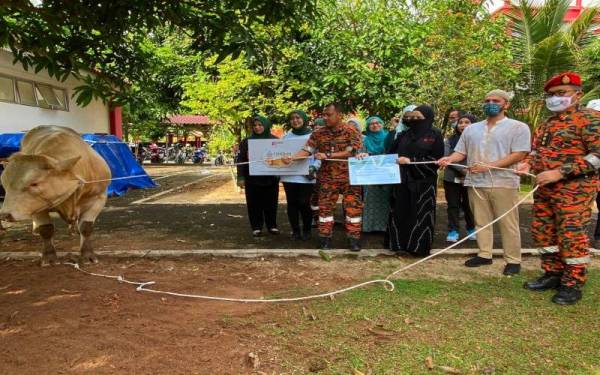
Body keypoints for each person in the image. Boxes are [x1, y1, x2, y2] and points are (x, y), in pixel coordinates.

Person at [519, 72, 600, 305]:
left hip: (574, 191)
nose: (556, 98)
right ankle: (552, 273)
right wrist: (528, 163)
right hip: (545, 190)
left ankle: (572, 283)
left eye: (561, 93)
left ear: (578, 94)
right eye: (552, 95)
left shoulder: (590, 119)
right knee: (543, 232)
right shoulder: (548, 124)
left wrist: (559, 172)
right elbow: (537, 153)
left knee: (571, 235)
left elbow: (597, 156)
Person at [438, 89, 531, 275]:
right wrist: (449, 159)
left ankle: (513, 260)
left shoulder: (518, 127)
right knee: (481, 221)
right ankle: (484, 254)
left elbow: (519, 154)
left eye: (495, 100)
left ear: (506, 104)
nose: (490, 103)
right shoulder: (472, 129)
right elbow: (461, 152)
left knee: (508, 223)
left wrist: (489, 166)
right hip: (475, 181)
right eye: (487, 100)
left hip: (504, 181)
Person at [285, 103, 363, 251]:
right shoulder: (318, 133)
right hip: (327, 178)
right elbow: (307, 150)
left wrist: (328, 155)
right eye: (324, 115)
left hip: (350, 177)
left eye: (329, 115)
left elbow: (352, 152)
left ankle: (354, 239)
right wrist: (292, 158)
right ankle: (324, 238)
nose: (325, 117)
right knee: (325, 209)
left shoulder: (351, 130)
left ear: (339, 115)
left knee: (353, 209)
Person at [388, 105, 444, 256]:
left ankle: (419, 247)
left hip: (423, 184)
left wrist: (411, 161)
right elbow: (389, 156)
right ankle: (399, 245)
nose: (413, 120)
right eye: (411, 117)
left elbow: (436, 160)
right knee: (400, 211)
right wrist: (366, 157)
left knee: (420, 214)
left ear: (428, 118)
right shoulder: (403, 135)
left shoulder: (435, 135)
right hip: (401, 181)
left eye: (418, 118)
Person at [236, 115, 280, 237]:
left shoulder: (275, 140)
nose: (257, 128)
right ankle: (256, 227)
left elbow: (280, 158)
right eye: (255, 125)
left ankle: (272, 226)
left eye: (260, 125)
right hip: (252, 180)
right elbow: (240, 160)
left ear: (266, 126)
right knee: (254, 204)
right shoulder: (246, 142)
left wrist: (280, 173)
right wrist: (240, 177)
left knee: (271, 203)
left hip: (270, 179)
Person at [281, 110, 320, 241]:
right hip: (289, 175)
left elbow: (318, 154)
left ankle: (307, 230)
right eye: (292, 118)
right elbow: (280, 154)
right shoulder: (286, 137)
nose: (295, 120)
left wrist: (315, 166)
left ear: (304, 119)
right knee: (292, 203)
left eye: (298, 118)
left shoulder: (313, 136)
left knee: (304, 202)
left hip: (306, 175)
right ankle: (295, 231)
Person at [443, 113, 477, 243]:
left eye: (467, 122)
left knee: (470, 205)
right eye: (460, 122)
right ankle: (453, 230)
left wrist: (471, 170)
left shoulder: (479, 140)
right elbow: (448, 157)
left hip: (472, 177)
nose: (463, 125)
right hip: (451, 178)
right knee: (453, 205)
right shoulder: (450, 140)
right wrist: (463, 169)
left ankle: (472, 229)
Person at [360, 116, 391, 233]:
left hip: (386, 175)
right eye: (371, 124)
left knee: (385, 199)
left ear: (382, 124)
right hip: (370, 175)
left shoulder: (389, 138)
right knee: (370, 199)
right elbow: (360, 154)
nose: (375, 125)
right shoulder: (364, 140)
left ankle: (385, 227)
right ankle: (370, 227)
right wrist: (362, 155)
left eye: (378, 122)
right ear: (368, 127)